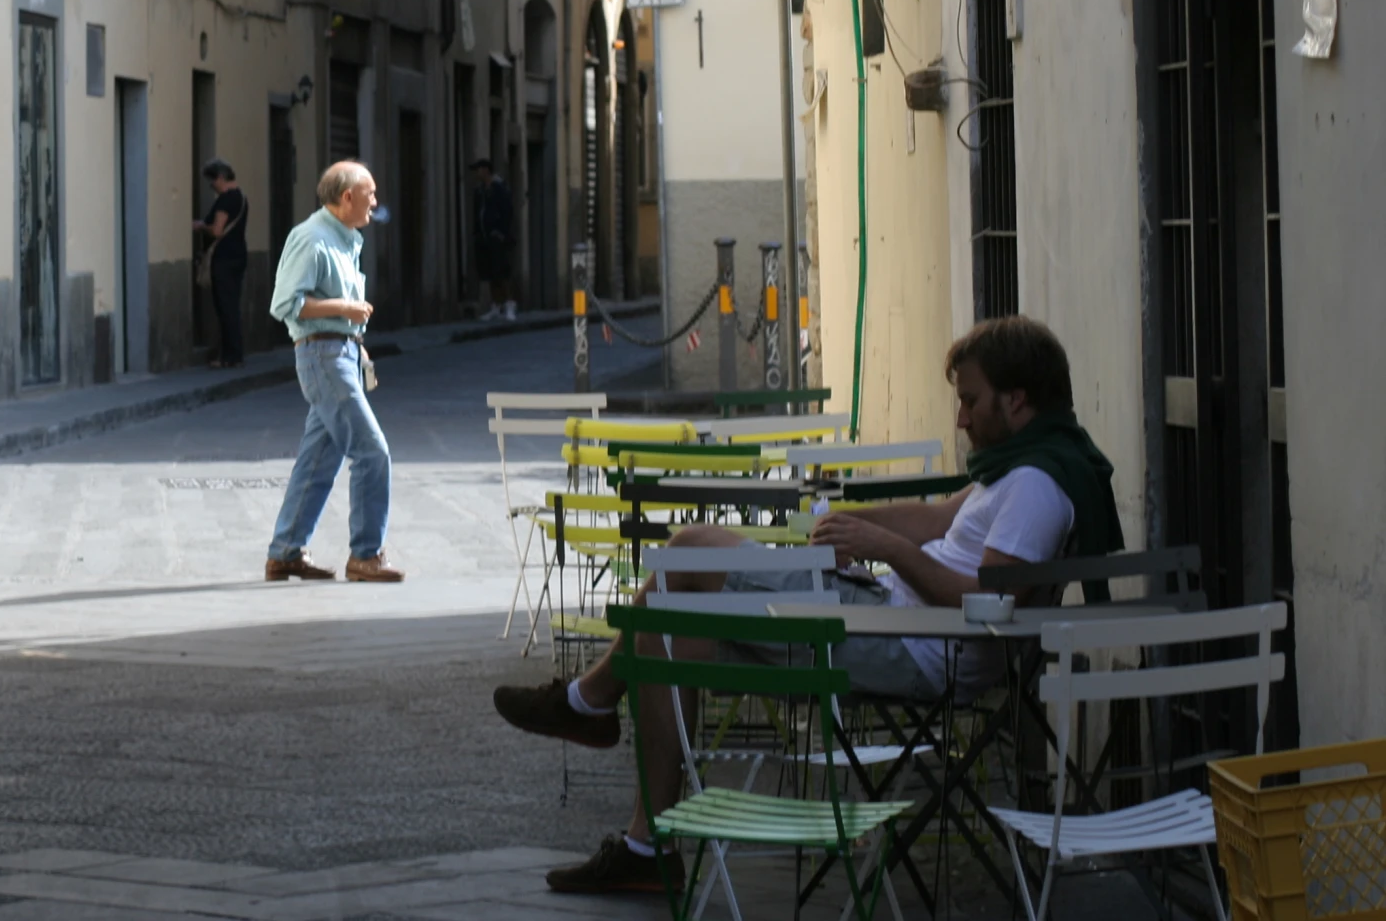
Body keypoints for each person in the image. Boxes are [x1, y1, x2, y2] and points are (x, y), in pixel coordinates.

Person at [494, 315, 1124, 895]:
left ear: (1017, 400)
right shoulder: (1016, 469)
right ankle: (644, 845)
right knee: (666, 621)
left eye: (970, 400)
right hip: (885, 619)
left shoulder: (1039, 486)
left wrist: (883, 548)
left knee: (686, 553)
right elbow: (934, 517)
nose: (960, 419)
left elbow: (990, 604)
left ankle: (590, 707)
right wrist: (851, 523)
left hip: (912, 647)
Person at [262, 160, 405, 584]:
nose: (376, 203)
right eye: (371, 194)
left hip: (340, 354)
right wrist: (345, 308)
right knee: (371, 450)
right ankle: (365, 555)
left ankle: (285, 552)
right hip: (323, 355)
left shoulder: (345, 240)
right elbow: (286, 304)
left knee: (318, 460)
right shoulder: (311, 238)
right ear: (347, 197)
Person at [193, 159, 250, 368]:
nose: (211, 187)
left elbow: (217, 230)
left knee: (225, 306)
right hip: (237, 256)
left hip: (223, 259)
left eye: (211, 182)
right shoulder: (241, 198)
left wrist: (201, 226)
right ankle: (233, 353)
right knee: (232, 305)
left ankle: (230, 356)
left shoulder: (226, 200)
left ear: (220, 178)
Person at [469, 159, 516, 320]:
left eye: (479, 170)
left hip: (497, 237)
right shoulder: (480, 191)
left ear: (486, 170)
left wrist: (501, 232)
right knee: (489, 273)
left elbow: (507, 211)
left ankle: (509, 305)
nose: (477, 173)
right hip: (483, 237)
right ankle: (495, 306)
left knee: (502, 272)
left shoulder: (499, 188)